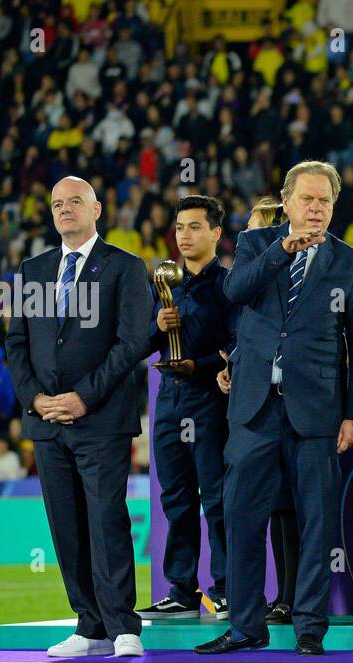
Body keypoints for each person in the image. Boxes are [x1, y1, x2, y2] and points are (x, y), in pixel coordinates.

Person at [199, 161, 353, 656]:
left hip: (317, 413)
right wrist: (282, 249)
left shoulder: (351, 263)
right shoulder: (256, 245)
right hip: (253, 410)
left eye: (325, 202)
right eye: (307, 200)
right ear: (288, 202)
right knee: (241, 518)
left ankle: (309, 631)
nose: (315, 210)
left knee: (316, 525)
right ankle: (245, 628)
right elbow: (233, 292)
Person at [5, 175, 151, 658]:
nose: (64, 209)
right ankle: (88, 626)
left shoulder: (126, 268)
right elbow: (17, 343)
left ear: (97, 210)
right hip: (46, 422)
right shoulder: (32, 270)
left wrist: (83, 397)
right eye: (56, 204)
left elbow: (131, 343)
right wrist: (36, 400)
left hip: (101, 418)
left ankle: (122, 625)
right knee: (65, 524)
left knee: (106, 518)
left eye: (74, 202)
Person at [137, 195, 237, 622]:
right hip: (168, 397)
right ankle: (180, 589)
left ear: (216, 233)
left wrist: (207, 365)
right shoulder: (163, 286)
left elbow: (238, 345)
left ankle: (228, 588)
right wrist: (155, 327)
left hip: (209, 397)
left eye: (195, 227)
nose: (185, 236)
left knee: (215, 497)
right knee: (175, 496)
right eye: (179, 228)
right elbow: (138, 346)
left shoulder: (229, 285)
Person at [219, 196, 300, 626]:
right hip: (255, 400)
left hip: (295, 403)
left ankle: (291, 597)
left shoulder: (297, 263)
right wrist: (234, 361)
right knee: (257, 509)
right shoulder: (257, 260)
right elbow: (252, 324)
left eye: (255, 225)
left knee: (289, 511)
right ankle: (252, 608)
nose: (247, 235)